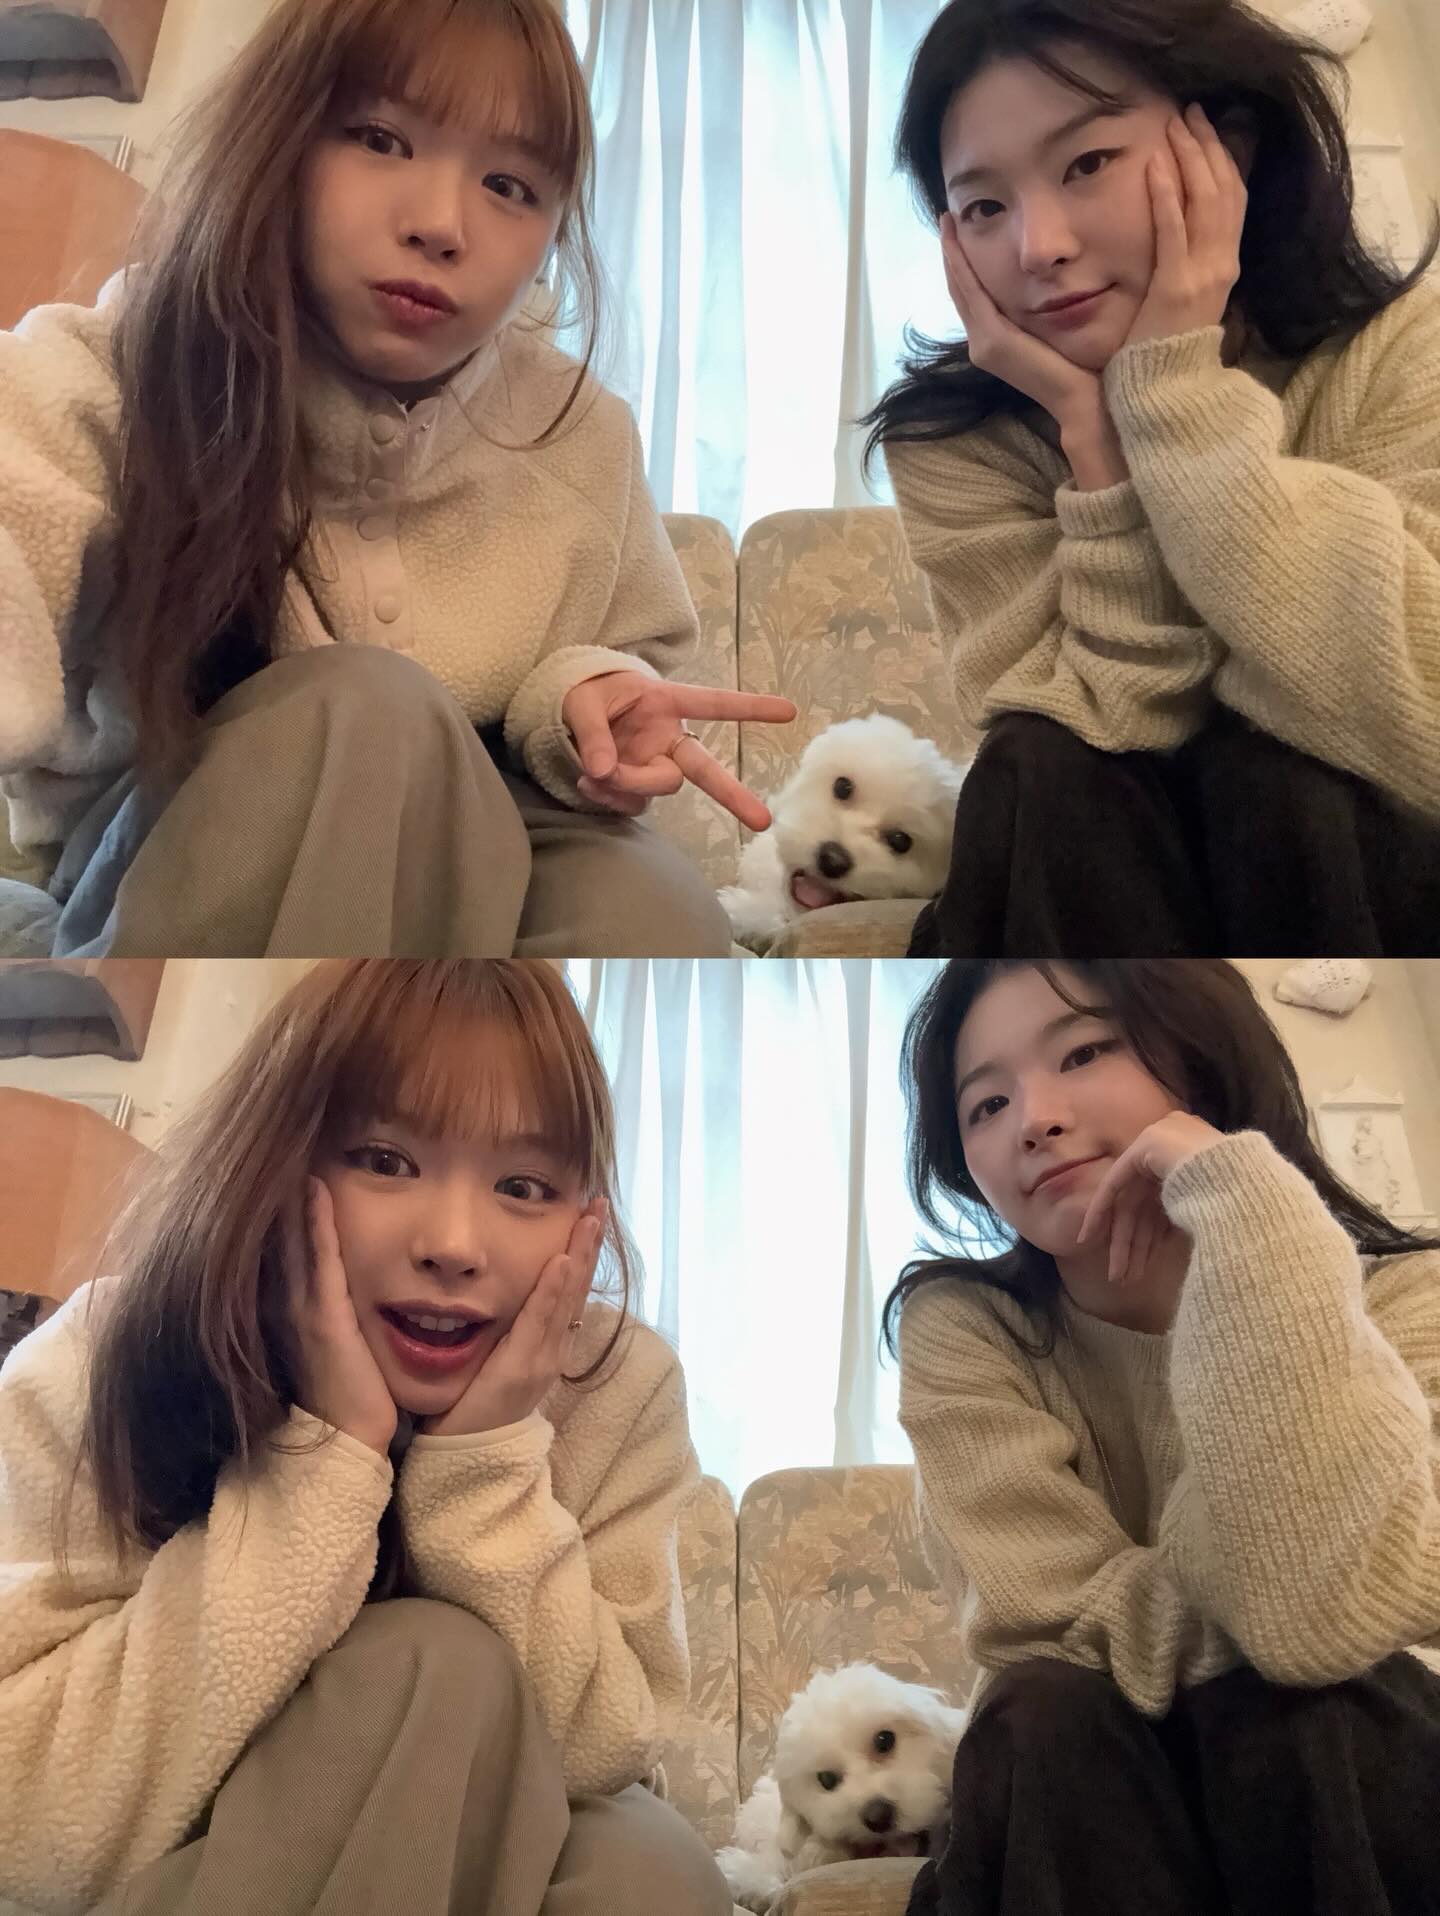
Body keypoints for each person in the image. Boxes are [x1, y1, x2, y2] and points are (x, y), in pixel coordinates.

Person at [0, 0, 793, 959]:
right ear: (279, 141)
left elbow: (619, 648)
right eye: (381, 139)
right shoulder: (129, 365)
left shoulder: (582, 428)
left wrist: (593, 699)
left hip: (506, 813)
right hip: (174, 829)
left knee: (647, 901)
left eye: (509, 186)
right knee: (371, 712)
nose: (441, 226)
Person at [0, 960, 730, 1916]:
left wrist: (484, 1473)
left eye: (523, 1185)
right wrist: (326, 1457)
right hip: (187, 1854)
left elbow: (608, 1748)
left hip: (505, 1830)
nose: (454, 1244)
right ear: (275, 1157)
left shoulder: (615, 1385)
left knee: (649, 1869)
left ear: (583, 1218)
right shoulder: (106, 1349)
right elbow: (30, 1820)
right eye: (385, 1162)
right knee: (432, 1662)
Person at [865, 0, 1440, 956]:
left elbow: (1418, 722)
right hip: (1072, 899)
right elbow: (1091, 737)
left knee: (1285, 777)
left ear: (1229, 148)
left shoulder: (1402, 351)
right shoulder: (952, 441)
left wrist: (1175, 395)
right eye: (985, 207)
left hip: (1352, 885)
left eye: (1087, 163)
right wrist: (1097, 441)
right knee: (1035, 761)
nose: (1039, 245)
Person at [886, 958, 1440, 1916]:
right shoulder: (967, 1327)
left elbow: (1318, 1617)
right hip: (1078, 1805)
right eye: (986, 1105)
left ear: (1200, 1055)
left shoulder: (1409, 1300)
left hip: (1343, 1791)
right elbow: (1044, 1620)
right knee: (1045, 1706)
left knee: (1326, 1704)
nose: (1034, 1120)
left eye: (1085, 1052)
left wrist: (1251, 1223)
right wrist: (1267, 1615)